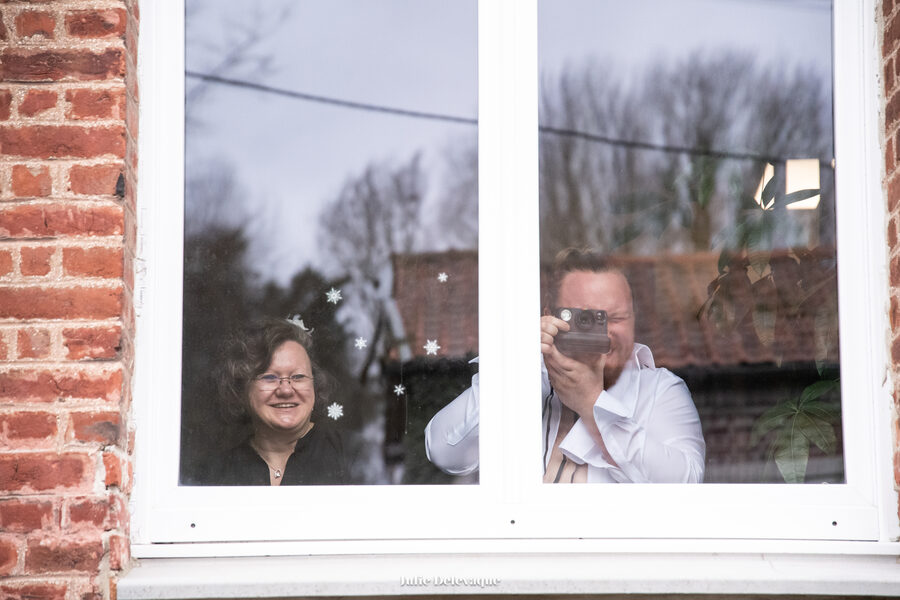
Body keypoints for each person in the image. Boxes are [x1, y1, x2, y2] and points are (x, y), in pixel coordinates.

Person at [425, 248, 705, 483]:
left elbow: (687, 484)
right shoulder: (521, 381)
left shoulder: (659, 390)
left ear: (634, 319)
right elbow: (444, 451)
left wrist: (592, 405)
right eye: (585, 317)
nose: (602, 330)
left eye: (616, 317)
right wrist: (517, 364)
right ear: (549, 316)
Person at [203, 317, 349, 485]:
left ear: (314, 386)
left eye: (298, 377)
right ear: (242, 388)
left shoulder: (356, 456)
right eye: (269, 377)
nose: (286, 390)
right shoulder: (214, 474)